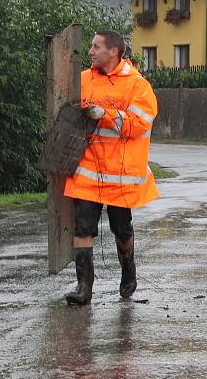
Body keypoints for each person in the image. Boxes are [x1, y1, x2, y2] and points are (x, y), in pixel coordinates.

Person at [63, 30, 159, 306]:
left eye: (96, 47)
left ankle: (128, 270)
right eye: (91, 47)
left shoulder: (137, 86)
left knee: (122, 229)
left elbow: (140, 124)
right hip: (87, 168)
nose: (90, 51)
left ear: (113, 51)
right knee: (82, 228)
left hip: (120, 172)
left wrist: (105, 114)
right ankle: (84, 288)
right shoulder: (82, 80)